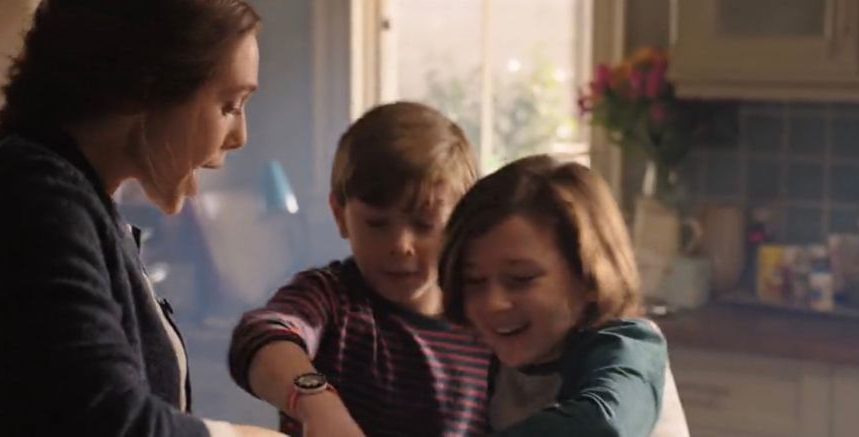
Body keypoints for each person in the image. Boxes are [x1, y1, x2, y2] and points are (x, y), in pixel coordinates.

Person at [0, 1, 284, 436]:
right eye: (229, 104)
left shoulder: (66, 192)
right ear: (146, 87)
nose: (240, 136)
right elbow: (102, 420)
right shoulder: (31, 195)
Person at [228, 101, 492, 437]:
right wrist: (317, 402)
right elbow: (261, 333)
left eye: (424, 225)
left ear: (460, 225)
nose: (400, 244)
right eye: (377, 224)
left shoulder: (485, 325)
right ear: (340, 216)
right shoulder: (330, 299)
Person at [438, 155, 690, 436]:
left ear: (588, 277)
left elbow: (604, 425)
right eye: (474, 281)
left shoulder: (628, 345)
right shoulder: (507, 363)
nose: (493, 303)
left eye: (520, 278)